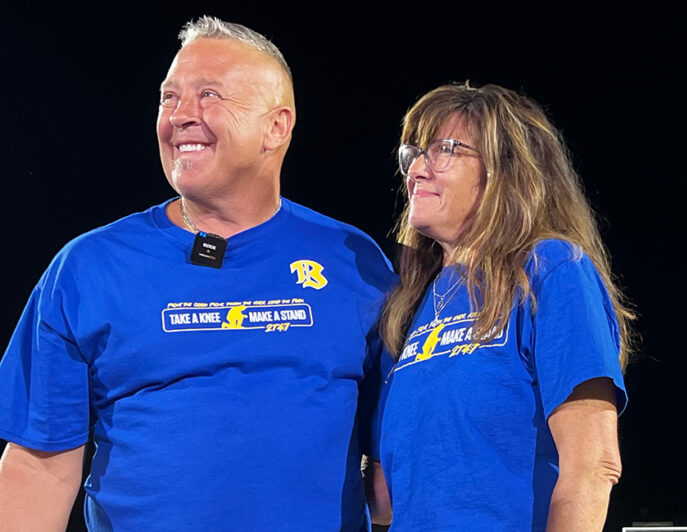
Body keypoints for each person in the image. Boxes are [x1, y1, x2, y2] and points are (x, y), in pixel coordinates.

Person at [0, 17, 393, 531]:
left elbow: (395, 463)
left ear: (277, 126)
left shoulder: (353, 260)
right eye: (169, 98)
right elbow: (37, 466)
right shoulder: (88, 267)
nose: (181, 116)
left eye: (209, 95)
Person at [371, 83, 636, 531]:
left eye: (444, 150)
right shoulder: (409, 306)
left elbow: (593, 465)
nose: (416, 169)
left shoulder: (551, 269)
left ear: (506, 170)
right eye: (413, 153)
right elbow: (388, 497)